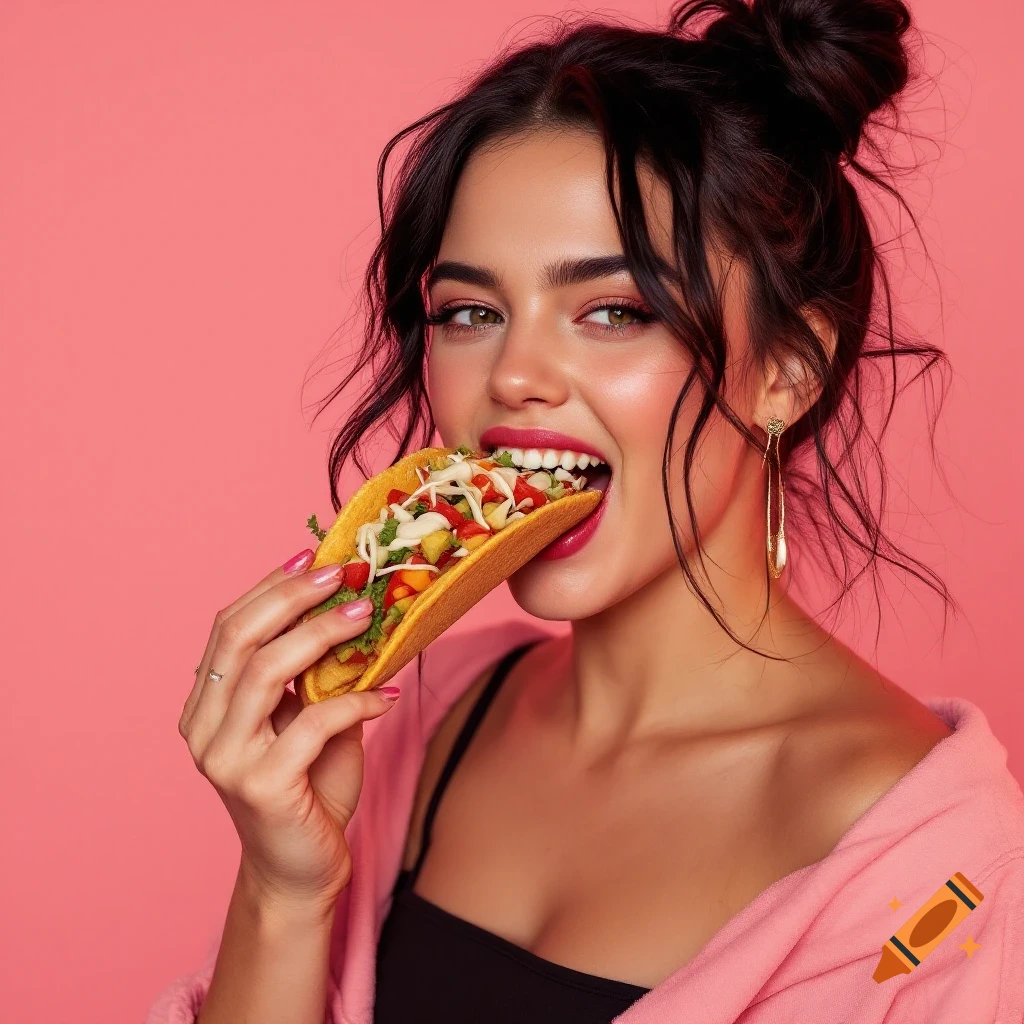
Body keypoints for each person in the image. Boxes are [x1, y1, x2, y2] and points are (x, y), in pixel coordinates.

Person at [150, 1, 1024, 1021]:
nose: (514, 375)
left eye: (614, 311)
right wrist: (284, 888)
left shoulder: (944, 877)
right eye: (470, 312)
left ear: (786, 370)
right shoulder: (423, 716)